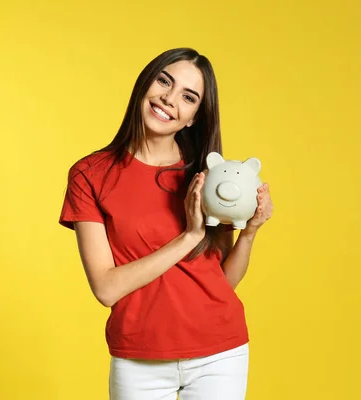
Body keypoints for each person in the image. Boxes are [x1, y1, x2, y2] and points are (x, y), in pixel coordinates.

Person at [58, 47, 273, 400]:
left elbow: (222, 283)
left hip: (220, 353)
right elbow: (106, 289)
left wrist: (249, 233)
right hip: (138, 357)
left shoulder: (207, 176)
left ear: (193, 117)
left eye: (188, 97)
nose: (169, 100)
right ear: (145, 83)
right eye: (164, 81)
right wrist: (189, 235)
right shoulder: (90, 174)